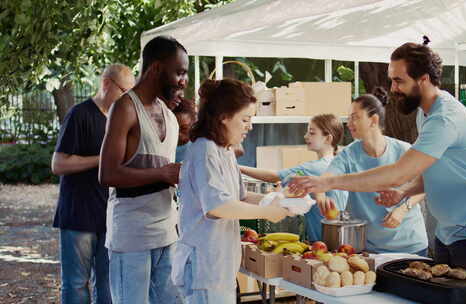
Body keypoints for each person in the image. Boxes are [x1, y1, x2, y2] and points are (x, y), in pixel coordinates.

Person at [289, 42, 466, 273]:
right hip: (448, 231)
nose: (392, 88)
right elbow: (436, 171)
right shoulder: (426, 113)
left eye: (399, 81)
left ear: (423, 79)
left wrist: (327, 182)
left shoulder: (444, 119)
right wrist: (405, 192)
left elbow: (397, 174)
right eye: (392, 80)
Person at [172, 78, 291, 304]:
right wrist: (267, 212)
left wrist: (278, 201)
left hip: (219, 266)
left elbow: (241, 196)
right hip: (204, 269)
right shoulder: (204, 152)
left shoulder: (223, 150)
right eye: (245, 119)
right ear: (223, 117)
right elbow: (218, 207)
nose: (250, 126)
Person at [99, 35, 187, 304]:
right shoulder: (124, 108)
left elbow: (168, 172)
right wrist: (162, 174)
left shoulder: (170, 116)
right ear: (157, 68)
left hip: (167, 233)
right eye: (179, 72)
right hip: (131, 236)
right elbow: (108, 174)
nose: (183, 80)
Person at [51, 64, 135, 304]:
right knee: (76, 284)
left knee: (108, 285)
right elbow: (58, 164)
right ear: (106, 84)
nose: (127, 98)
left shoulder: (121, 119)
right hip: (78, 216)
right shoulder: (79, 114)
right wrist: (103, 159)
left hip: (110, 217)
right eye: (124, 91)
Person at [318, 88, 428, 255]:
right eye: (348, 119)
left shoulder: (404, 150)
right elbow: (326, 179)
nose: (349, 124)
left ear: (373, 120)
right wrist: (321, 197)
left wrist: (403, 208)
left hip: (411, 245)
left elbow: (425, 185)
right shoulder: (348, 154)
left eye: (355, 118)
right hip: (370, 248)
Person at [239, 113, 346, 241]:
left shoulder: (313, 168)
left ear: (328, 138)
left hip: (321, 238)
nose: (306, 136)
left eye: (312, 133)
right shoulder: (340, 164)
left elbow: (274, 176)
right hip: (342, 236)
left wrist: (237, 167)